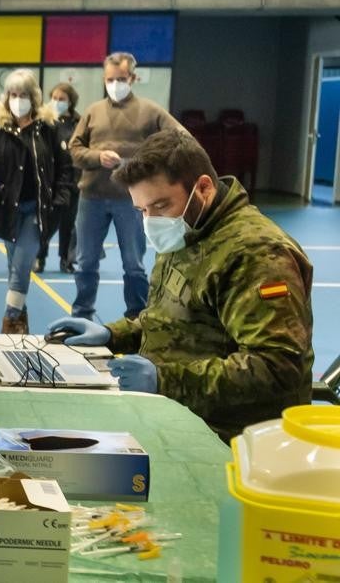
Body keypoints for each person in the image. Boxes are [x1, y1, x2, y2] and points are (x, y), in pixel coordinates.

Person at [48, 131, 314, 442]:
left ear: (203, 188)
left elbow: (278, 369)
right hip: (175, 418)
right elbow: (171, 320)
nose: (151, 221)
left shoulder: (256, 253)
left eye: (160, 205)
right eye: (142, 211)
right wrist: (114, 335)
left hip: (229, 440)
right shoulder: (185, 229)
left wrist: (166, 380)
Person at [69, 52, 183, 320]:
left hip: (132, 201)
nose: (115, 84)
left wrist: (140, 164)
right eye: (110, 79)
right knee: (85, 262)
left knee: (134, 265)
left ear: (133, 77)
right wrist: (97, 157)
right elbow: (74, 150)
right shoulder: (92, 111)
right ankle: (81, 315)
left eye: (121, 79)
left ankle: (137, 318)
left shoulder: (151, 111)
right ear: (103, 78)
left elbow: (180, 139)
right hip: (92, 197)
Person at [0, 69, 72, 335]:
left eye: (23, 94)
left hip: (38, 210)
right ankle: (21, 322)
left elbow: (65, 168)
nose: (18, 99)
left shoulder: (48, 128)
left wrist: (60, 199)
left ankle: (10, 321)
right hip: (7, 210)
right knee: (14, 268)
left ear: (33, 97)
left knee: (23, 264)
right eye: (13, 94)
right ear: (6, 96)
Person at [36, 82, 81, 274]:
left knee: (69, 225)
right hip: (51, 181)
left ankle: (66, 260)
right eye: (54, 98)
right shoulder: (45, 121)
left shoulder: (79, 122)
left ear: (70, 102)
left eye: (61, 99)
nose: (56, 102)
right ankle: (39, 258)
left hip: (75, 180)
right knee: (46, 223)